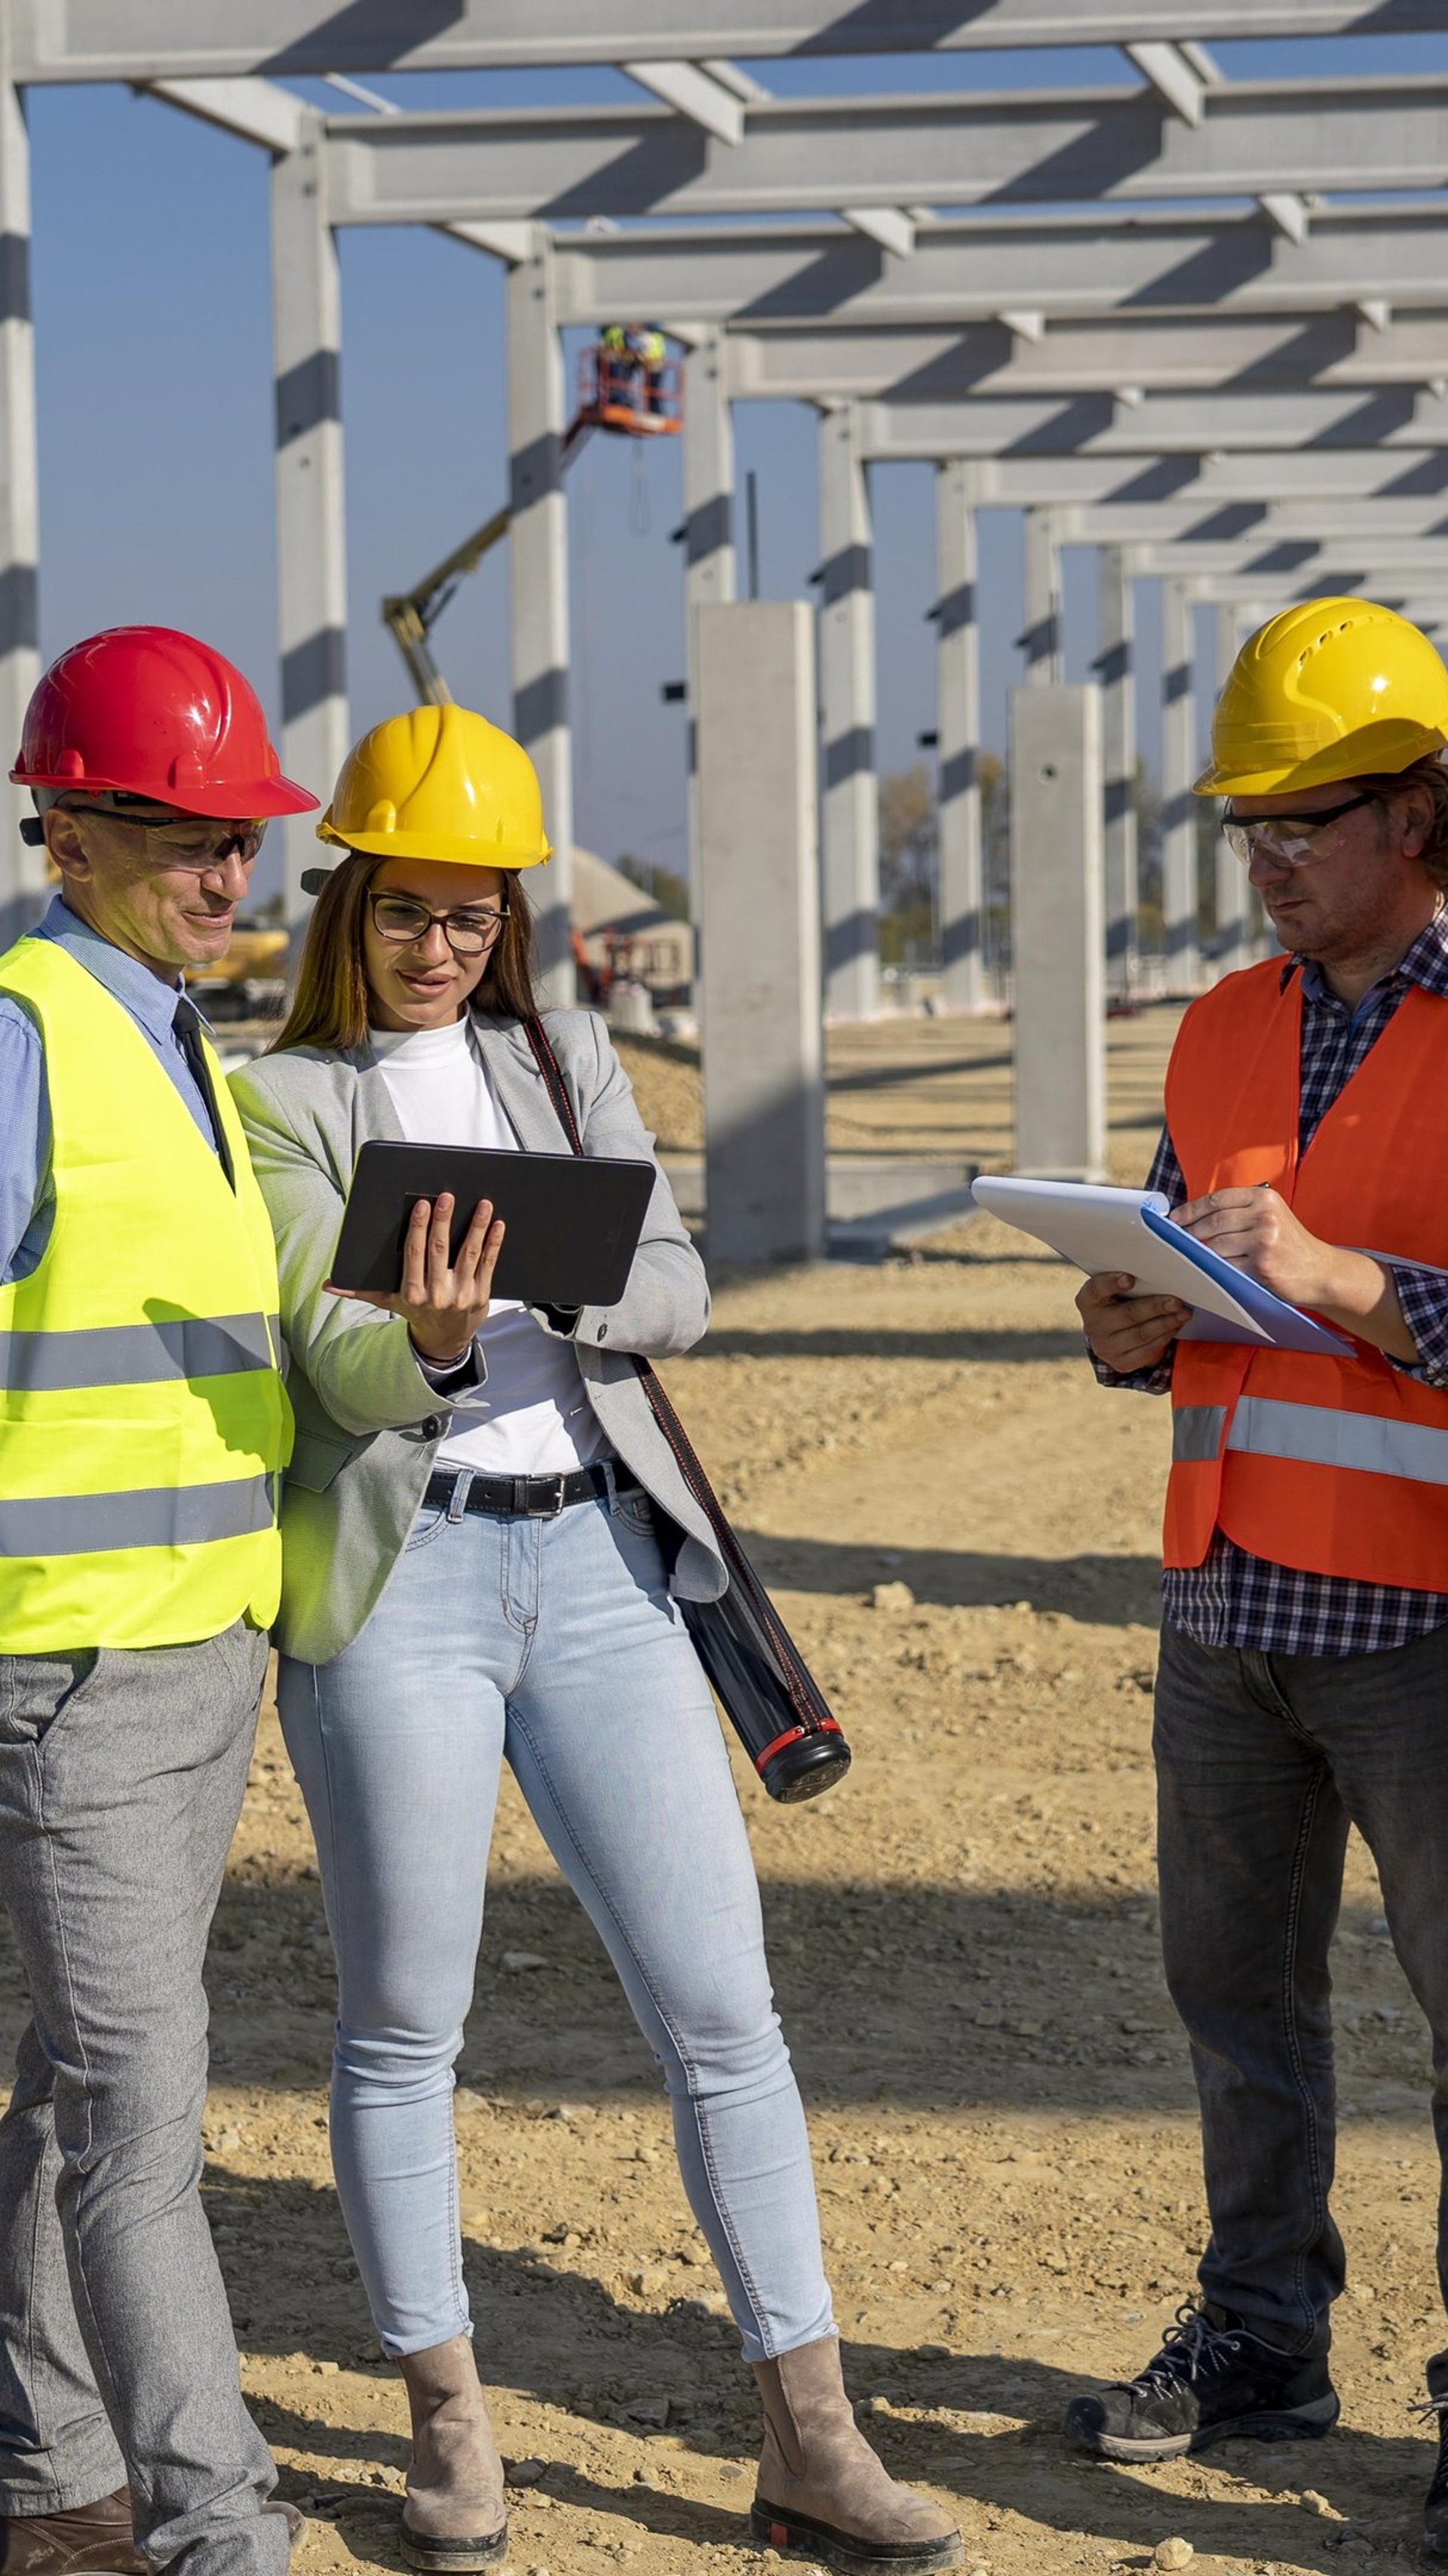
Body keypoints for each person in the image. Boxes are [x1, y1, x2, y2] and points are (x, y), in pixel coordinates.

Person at [229, 704, 962, 2576]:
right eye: (410, 912)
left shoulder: (565, 1066)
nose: (442, 946)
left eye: (475, 917)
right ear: (349, 901)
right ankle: (449, 2421)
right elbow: (332, 1359)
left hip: (605, 1577)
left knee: (726, 2013)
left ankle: (812, 2426)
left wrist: (554, 1270)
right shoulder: (287, 1097)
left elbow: (682, 1289)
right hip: (407, 1589)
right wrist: (445, 1342)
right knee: (406, 2025)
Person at [1065, 597, 1448, 2559]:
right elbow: (1186, 1268)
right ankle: (1264, 2339)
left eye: (1309, 818)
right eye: (1251, 825)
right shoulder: (1221, 1021)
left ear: (1421, 810)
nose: (1272, 857)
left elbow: (1344, 1292)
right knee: (1237, 2003)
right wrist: (1133, 1322)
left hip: (1424, 1625)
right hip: (1229, 1606)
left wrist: (1351, 1288)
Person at [0, 627, 316, 2576]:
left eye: (241, 841)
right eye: (190, 839)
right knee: (141, 2133)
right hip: (75, 1659)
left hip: (199, 1650)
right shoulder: (28, 1029)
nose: (229, 876)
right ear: (74, 828)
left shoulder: (181, 1033)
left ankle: (46, 2482)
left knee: (75, 2096)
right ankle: (226, 2535)